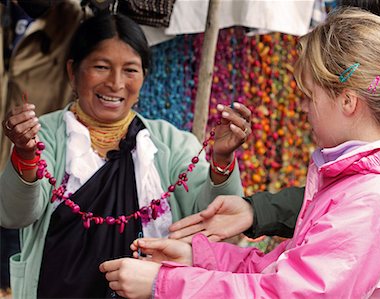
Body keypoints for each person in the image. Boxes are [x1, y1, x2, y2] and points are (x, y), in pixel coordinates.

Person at [100, 7, 380, 298]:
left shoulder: (374, 199)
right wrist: (199, 257)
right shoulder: (361, 183)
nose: (303, 109)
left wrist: (164, 284)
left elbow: (287, 293)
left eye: (309, 96)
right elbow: (287, 269)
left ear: (347, 101)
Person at [0, 12, 252, 298]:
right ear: (73, 72)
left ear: (144, 76)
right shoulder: (43, 136)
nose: (116, 83)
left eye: (130, 70)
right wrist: (24, 154)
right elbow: (13, 214)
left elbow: (214, 224)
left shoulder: (173, 144)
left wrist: (221, 160)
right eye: (101, 67)